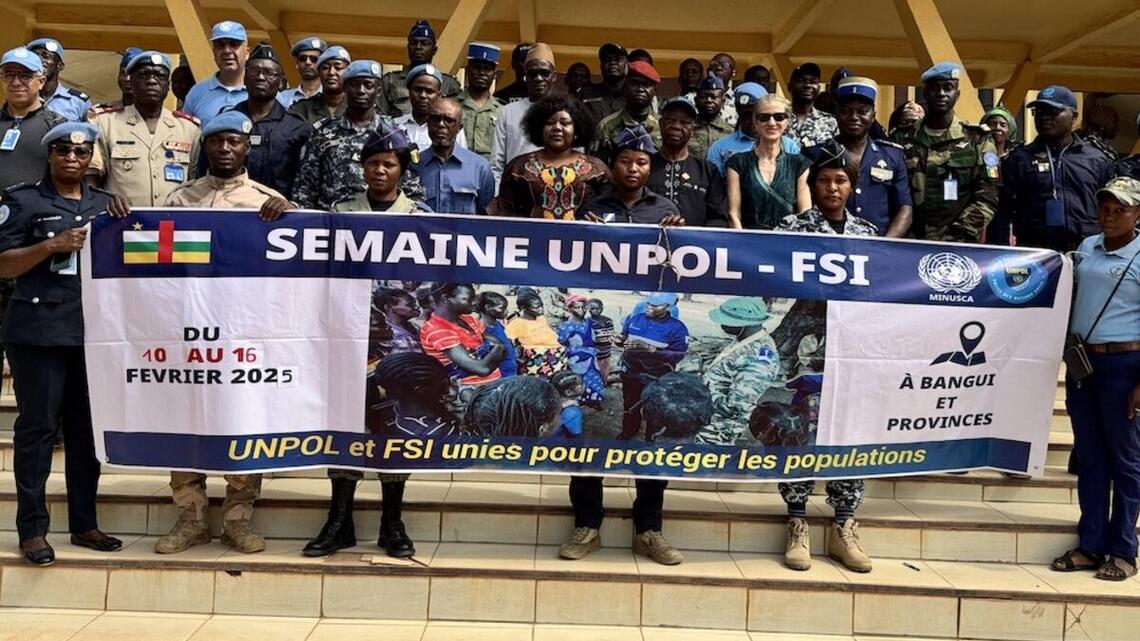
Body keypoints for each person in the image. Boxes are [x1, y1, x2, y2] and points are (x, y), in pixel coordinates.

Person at [154, 111, 292, 555]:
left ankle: (238, 518)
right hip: (189, 331)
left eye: (234, 142)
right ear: (206, 147)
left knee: (244, 420)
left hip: (243, 334)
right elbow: (158, 263)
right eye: (217, 142)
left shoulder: (268, 202)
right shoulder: (180, 199)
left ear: (247, 147)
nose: (225, 149)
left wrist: (290, 219)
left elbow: (292, 270)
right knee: (185, 419)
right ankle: (190, 516)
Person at [0, 121, 129, 566]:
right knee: (37, 431)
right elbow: (4, 265)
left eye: (81, 152)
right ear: (49, 155)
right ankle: (32, 530)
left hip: (92, 334)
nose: (72, 159)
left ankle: (84, 523)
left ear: (92, 157)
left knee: (85, 432)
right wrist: (50, 245)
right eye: (63, 151)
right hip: (38, 333)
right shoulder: (23, 200)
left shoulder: (106, 204)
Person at [305, 127, 430, 559]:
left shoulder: (419, 217)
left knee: (391, 423)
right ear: (362, 167)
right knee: (346, 422)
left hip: (397, 342)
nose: (380, 170)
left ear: (400, 170)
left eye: (389, 164)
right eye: (373, 163)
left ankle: (391, 522)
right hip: (349, 334)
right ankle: (339, 521)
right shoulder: (341, 212)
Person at [776, 144, 877, 573]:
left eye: (841, 180)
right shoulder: (790, 229)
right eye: (824, 180)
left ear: (852, 186)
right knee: (799, 424)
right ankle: (796, 520)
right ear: (812, 185)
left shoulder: (868, 234)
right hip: (802, 343)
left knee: (848, 428)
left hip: (851, 345)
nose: (832, 188)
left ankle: (843, 525)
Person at [1052, 176, 1140, 582]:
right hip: (1084, 366)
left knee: (1125, 461)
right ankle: (1090, 543)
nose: (1110, 215)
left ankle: (1123, 550)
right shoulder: (1088, 247)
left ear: (1137, 214)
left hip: (1125, 366)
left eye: (1120, 209)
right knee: (1090, 457)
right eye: (1105, 208)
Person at [559, 291, 687, 566]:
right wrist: (622, 342)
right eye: (649, 303)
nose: (650, 308)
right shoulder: (635, 318)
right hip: (630, 379)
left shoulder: (677, 328)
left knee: (653, 458)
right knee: (590, 453)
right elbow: (624, 338)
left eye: (657, 305)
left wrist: (654, 352)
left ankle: (649, 532)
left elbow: (679, 353)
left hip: (658, 384)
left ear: (669, 306)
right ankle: (587, 527)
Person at [990, 85, 1114, 252]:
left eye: (1053, 111)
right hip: (1035, 253)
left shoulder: (1097, 159)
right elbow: (1001, 213)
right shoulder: (1019, 160)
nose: (1044, 117)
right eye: (1039, 112)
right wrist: (1000, 253)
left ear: (1074, 116)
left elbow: (1111, 208)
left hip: (1086, 252)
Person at [891, 61, 998, 242]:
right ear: (925, 94)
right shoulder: (901, 139)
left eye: (948, 88)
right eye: (934, 88)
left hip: (959, 243)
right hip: (910, 242)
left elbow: (988, 195)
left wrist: (958, 234)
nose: (941, 93)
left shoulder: (977, 140)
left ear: (957, 94)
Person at [88, 51, 201, 207]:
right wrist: (104, 200)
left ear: (168, 86)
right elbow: (92, 178)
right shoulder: (105, 123)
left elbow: (197, 181)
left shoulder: (189, 128)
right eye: (144, 75)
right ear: (131, 82)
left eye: (159, 76)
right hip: (123, 218)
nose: (152, 81)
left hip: (173, 219)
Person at [804, 77, 911, 236]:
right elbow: (805, 203)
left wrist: (885, 245)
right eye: (846, 111)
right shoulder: (815, 154)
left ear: (873, 116)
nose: (854, 117)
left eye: (862, 111)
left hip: (878, 244)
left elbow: (904, 209)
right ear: (836, 114)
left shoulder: (892, 155)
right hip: (826, 242)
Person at [293, 60, 405, 210]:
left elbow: (410, 188)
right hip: (332, 218)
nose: (361, 91)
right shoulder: (323, 133)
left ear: (378, 91)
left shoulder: (395, 133)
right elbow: (305, 188)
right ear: (344, 88)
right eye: (354, 85)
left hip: (380, 219)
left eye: (368, 85)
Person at [489, 93, 609, 219]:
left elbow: (609, 208)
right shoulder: (518, 167)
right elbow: (504, 210)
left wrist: (597, 218)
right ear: (539, 129)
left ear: (577, 130)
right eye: (550, 122)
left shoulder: (597, 169)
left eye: (565, 123)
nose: (557, 128)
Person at [221, 43, 313, 199]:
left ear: (281, 82)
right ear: (244, 77)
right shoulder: (226, 122)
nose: (260, 77)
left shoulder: (297, 127)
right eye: (254, 71)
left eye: (269, 73)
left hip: (280, 209)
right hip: (231, 207)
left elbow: (308, 181)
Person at [698, 297, 780, 447]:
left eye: (726, 320)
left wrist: (698, 396)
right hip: (709, 415)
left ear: (744, 323)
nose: (721, 324)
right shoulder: (745, 340)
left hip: (719, 426)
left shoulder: (759, 358)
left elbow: (736, 405)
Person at [726, 94, 811, 229]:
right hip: (747, 239)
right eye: (764, 117)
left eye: (779, 117)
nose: (771, 123)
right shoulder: (737, 163)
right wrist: (742, 241)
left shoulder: (799, 164)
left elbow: (805, 214)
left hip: (789, 239)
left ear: (787, 122)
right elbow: (733, 214)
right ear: (755, 122)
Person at [581, 124, 686, 226]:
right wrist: (587, 229)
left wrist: (675, 231)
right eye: (625, 162)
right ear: (613, 167)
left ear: (650, 170)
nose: (632, 169)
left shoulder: (666, 210)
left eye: (641, 163)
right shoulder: (593, 208)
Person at [649, 96, 727, 227]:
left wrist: (695, 236)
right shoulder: (645, 166)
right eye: (670, 120)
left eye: (684, 122)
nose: (676, 126)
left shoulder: (707, 171)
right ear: (661, 123)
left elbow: (718, 217)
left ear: (693, 129)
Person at [490, 43, 559, 185]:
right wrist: (499, 195)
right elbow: (496, 165)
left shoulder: (566, 112)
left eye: (544, 73)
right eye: (533, 73)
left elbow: (576, 159)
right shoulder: (508, 112)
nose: (538, 78)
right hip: (515, 191)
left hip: (555, 192)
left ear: (554, 76)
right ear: (525, 76)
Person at [1, 48, 67, 189]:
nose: (16, 82)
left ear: (41, 82)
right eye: (9, 75)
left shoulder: (57, 126)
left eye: (25, 76)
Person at [421, 283, 506, 387]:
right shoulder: (436, 329)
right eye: (469, 299)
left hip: (494, 385)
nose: (474, 302)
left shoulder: (470, 319)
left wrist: (483, 357)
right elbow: (482, 369)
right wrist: (495, 348)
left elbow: (503, 350)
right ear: (446, 298)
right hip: (472, 392)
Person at [707, 83, 800, 176]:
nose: (752, 120)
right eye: (746, 115)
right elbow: (712, 181)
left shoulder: (789, 146)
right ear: (738, 113)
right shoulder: (720, 147)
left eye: (759, 116)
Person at [420, 98, 494, 214]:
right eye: (435, 119)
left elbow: (485, 216)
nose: (441, 125)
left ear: (459, 127)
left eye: (449, 120)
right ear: (427, 122)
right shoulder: (413, 165)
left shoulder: (480, 167)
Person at [377, 20, 461, 117]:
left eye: (425, 43)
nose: (418, 47)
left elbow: (455, 116)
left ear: (434, 50)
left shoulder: (449, 84)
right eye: (414, 43)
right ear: (408, 47)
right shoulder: (389, 80)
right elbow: (381, 115)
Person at [181, 21, 249, 126]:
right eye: (220, 45)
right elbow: (186, 132)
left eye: (233, 44)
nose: (227, 51)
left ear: (247, 53)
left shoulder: (262, 91)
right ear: (214, 52)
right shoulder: (197, 93)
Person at [593, 61, 662, 164]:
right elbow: (598, 165)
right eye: (634, 83)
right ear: (624, 87)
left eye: (646, 85)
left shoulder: (662, 125)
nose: (640, 89)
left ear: (655, 91)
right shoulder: (607, 125)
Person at [395, 64, 467, 152]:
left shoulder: (451, 127)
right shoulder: (395, 126)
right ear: (409, 92)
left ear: (439, 95)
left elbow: (463, 157)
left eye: (429, 91)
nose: (423, 95)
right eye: (417, 90)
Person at [505, 290, 567, 378]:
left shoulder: (541, 319)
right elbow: (506, 344)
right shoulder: (516, 323)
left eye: (541, 306)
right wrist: (517, 358)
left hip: (556, 361)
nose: (541, 309)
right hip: (536, 364)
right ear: (523, 308)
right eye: (536, 307)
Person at [556, 294, 605, 407]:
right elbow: (561, 343)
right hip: (576, 361)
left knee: (593, 379)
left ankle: (593, 401)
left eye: (583, 307)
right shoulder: (565, 326)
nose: (581, 310)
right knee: (577, 382)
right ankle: (578, 402)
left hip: (591, 359)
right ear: (569, 308)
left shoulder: (589, 322)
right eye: (576, 307)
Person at [25, 38, 90, 122]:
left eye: (46, 56)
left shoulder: (77, 102)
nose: (39, 60)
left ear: (60, 66)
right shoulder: (21, 97)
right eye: (35, 57)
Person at [458, 43, 502, 161]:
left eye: (487, 68)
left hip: (489, 169)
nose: (481, 72)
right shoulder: (452, 105)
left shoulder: (502, 111)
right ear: (467, 70)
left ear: (494, 74)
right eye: (477, 67)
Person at [291, 46, 351, 125]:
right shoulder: (300, 109)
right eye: (325, 68)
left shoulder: (360, 107)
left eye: (338, 68)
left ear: (349, 73)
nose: (331, 72)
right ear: (319, 72)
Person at [786, 62, 837, 148]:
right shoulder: (778, 118)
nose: (808, 85)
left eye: (813, 82)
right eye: (801, 81)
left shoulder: (831, 122)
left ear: (819, 88)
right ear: (789, 86)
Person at [580, 42, 627, 124]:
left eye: (618, 59)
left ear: (627, 65)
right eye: (608, 59)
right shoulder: (585, 94)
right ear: (601, 66)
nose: (612, 62)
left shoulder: (634, 95)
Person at [689, 74, 733, 161]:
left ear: (723, 101)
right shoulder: (686, 130)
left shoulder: (732, 132)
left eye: (714, 97)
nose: (709, 100)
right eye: (704, 97)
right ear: (696, 101)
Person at [89, 47, 142, 115]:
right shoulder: (102, 112)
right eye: (123, 73)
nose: (127, 79)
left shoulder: (154, 114)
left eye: (133, 74)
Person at [476, 291, 518, 378]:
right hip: (500, 374)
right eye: (502, 308)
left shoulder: (497, 324)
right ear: (487, 308)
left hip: (510, 370)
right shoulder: (482, 330)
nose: (506, 311)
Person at [277, 36, 327, 108]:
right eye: (303, 58)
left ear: (322, 64)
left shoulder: (332, 97)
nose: (308, 62)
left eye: (314, 59)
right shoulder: (283, 99)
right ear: (297, 63)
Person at [550, 370, 585, 438]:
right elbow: (576, 435)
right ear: (568, 392)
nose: (584, 385)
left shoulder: (551, 398)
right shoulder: (573, 412)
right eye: (581, 386)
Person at [707, 52, 738, 126]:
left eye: (724, 65)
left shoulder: (738, 99)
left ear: (734, 72)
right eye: (714, 65)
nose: (719, 68)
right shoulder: (696, 97)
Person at [588, 298, 614, 381]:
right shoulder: (587, 323)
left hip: (606, 356)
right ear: (588, 309)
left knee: (604, 378)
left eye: (598, 308)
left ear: (602, 308)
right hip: (594, 357)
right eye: (593, 308)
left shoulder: (608, 321)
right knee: (595, 379)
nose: (596, 310)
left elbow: (611, 337)